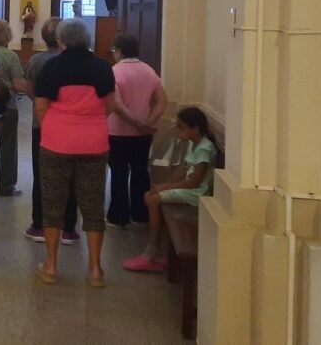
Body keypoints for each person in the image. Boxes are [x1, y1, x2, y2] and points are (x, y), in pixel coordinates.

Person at [34, 19, 116, 288]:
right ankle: (95, 270)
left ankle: (51, 266)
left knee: (53, 204)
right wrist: (90, 123)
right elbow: (110, 105)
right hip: (94, 143)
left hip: (57, 142)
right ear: (87, 40)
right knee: (93, 206)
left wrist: (58, 128)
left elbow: (41, 107)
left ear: (61, 41)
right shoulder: (103, 68)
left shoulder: (52, 67)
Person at [123, 108, 215, 273]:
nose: (178, 132)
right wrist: (162, 185)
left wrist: (165, 188)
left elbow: (194, 182)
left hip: (197, 194)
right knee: (151, 194)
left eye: (182, 128)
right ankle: (154, 248)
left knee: (152, 199)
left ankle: (153, 250)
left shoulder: (204, 149)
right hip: (190, 189)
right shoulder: (194, 144)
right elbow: (182, 169)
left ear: (195, 129)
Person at [107, 33, 167, 228]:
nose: (113, 54)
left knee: (119, 172)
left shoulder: (115, 71)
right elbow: (161, 100)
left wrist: (134, 121)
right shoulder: (149, 71)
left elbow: (116, 104)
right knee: (140, 171)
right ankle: (141, 213)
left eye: (114, 50)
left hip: (117, 132)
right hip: (143, 134)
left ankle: (118, 215)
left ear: (120, 51)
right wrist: (148, 121)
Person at [23, 18, 69, 243]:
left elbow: (29, 87)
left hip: (41, 123)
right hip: (68, 124)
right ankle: (68, 227)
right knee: (70, 175)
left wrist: (38, 102)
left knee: (41, 174)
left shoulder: (36, 60)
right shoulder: (70, 60)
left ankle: (39, 224)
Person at [0, 20, 27, 196]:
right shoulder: (11, 56)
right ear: (7, 35)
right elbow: (18, 85)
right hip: (7, 106)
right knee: (8, 146)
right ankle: (6, 185)